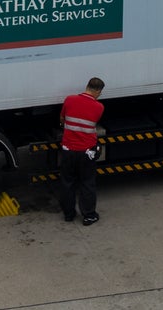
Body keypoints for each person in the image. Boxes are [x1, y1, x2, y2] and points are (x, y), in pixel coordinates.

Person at [57, 77, 105, 225]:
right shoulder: (99, 107)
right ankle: (89, 215)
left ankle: (69, 214)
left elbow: (62, 119)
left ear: (87, 86)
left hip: (68, 149)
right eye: (100, 93)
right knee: (87, 183)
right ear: (97, 91)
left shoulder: (69, 100)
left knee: (67, 182)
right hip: (86, 152)